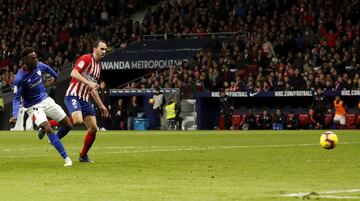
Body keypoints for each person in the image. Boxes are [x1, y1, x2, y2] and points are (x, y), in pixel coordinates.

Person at [9, 47, 73, 166]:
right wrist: (14, 115)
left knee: (68, 125)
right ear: (25, 60)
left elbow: (47, 68)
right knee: (48, 128)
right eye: (32, 59)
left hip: (46, 100)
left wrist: (55, 77)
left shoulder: (38, 65)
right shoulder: (19, 78)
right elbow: (16, 98)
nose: (35, 60)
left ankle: (53, 140)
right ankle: (67, 159)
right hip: (33, 107)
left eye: (36, 58)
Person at [64, 40, 109, 163]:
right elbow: (74, 72)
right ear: (95, 49)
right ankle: (48, 125)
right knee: (77, 120)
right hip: (74, 94)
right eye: (102, 49)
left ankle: (83, 156)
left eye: (106, 50)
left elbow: (92, 89)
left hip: (85, 99)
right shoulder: (86, 58)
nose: (104, 52)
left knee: (94, 128)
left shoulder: (98, 67)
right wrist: (88, 82)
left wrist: (101, 105)